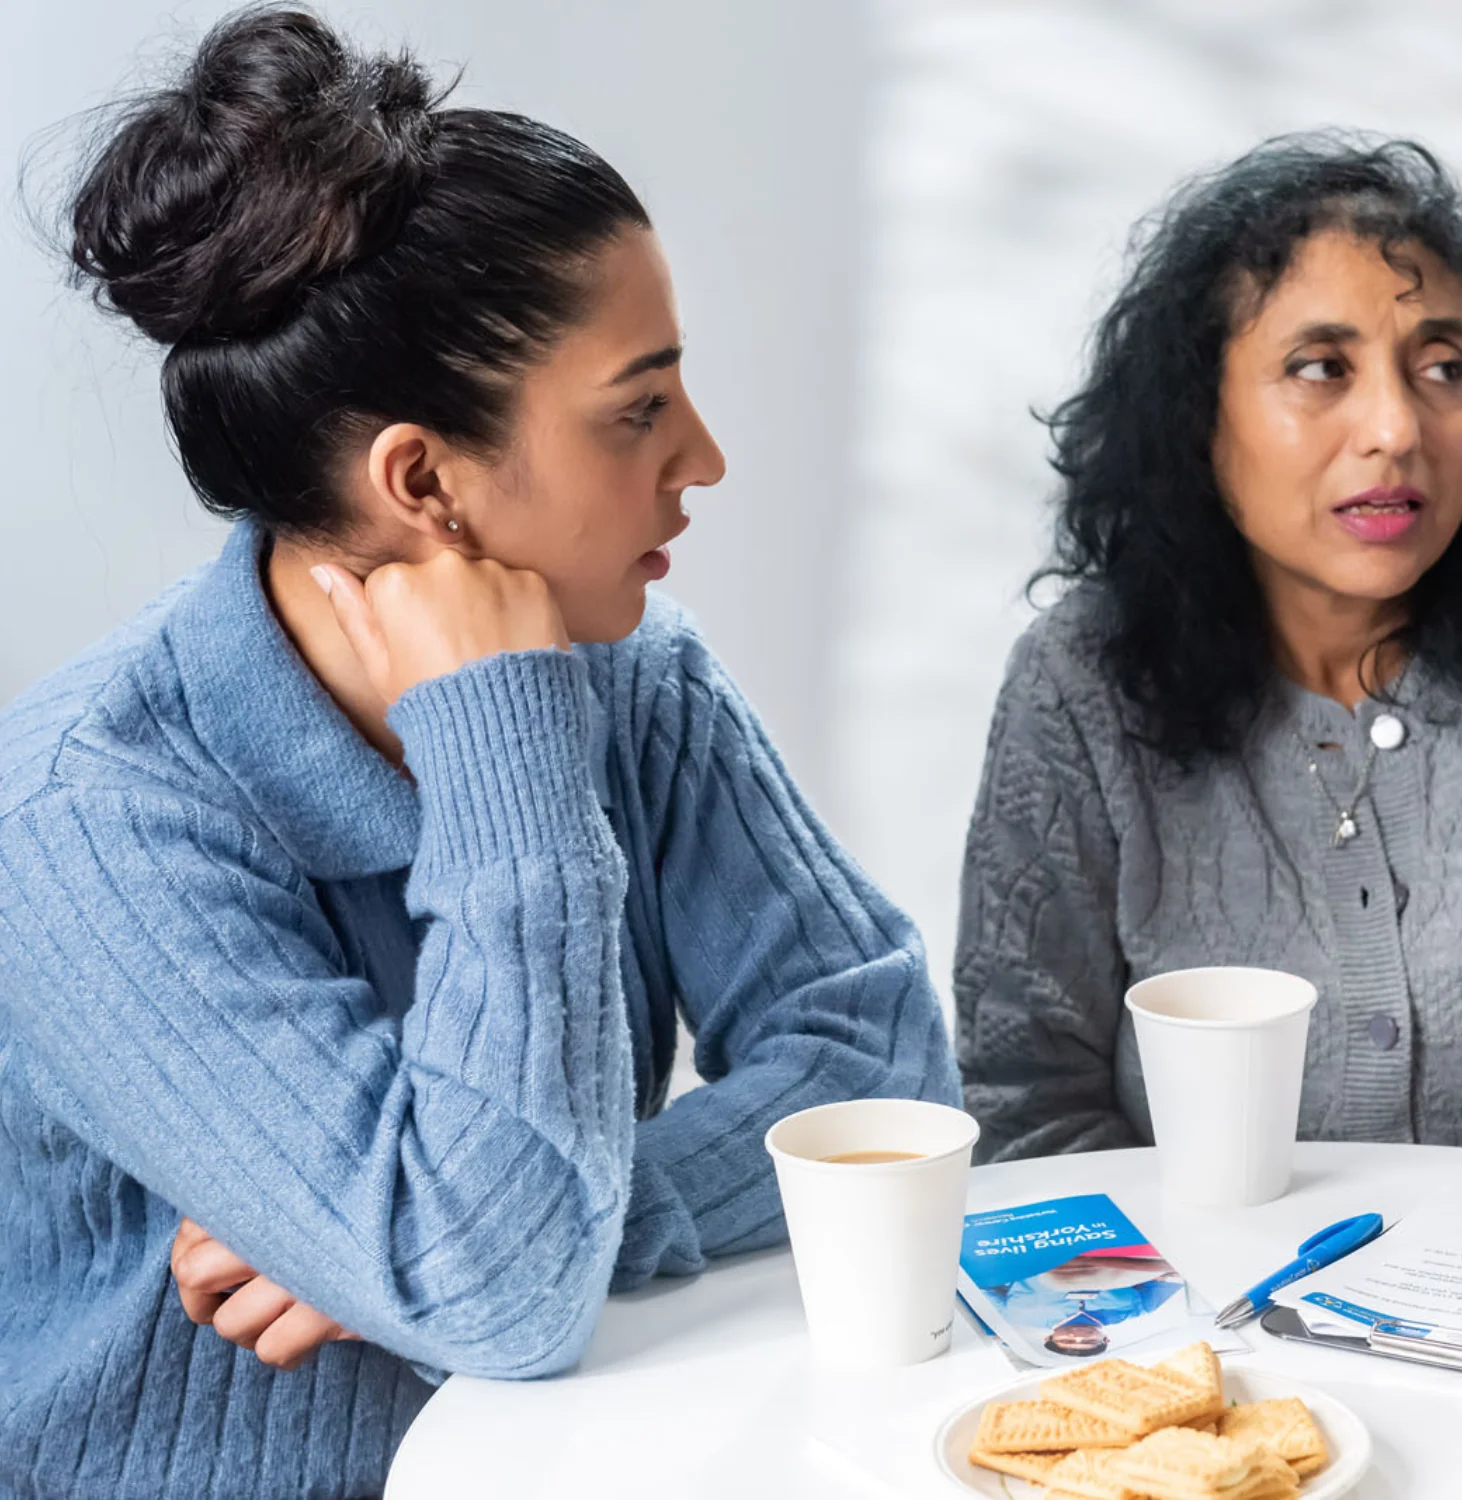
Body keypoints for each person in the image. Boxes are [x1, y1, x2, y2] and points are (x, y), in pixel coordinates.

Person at [0, 9, 956, 1497]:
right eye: (638, 410)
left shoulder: (634, 672)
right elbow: (496, 1293)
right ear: (424, 479)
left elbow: (880, 1065)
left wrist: (529, 1223)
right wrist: (502, 751)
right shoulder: (88, 820)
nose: (703, 459)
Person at [954, 134, 1462, 1164]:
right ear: (1196, 415)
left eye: (1442, 367)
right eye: (1319, 369)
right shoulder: (1080, 684)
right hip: (1193, 1320)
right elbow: (1029, 1108)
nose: (1395, 427)